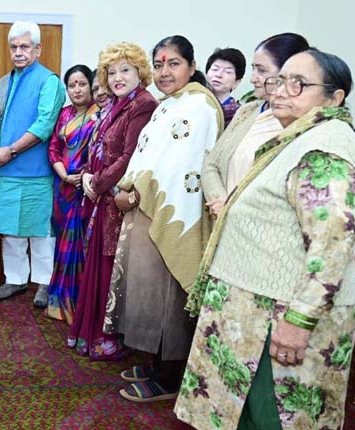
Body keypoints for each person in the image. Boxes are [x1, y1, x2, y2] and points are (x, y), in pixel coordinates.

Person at [177, 49, 355, 430]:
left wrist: (298, 323)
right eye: (280, 80)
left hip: (278, 320)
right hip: (254, 312)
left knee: (279, 425)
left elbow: (332, 245)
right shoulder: (298, 137)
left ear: (335, 98)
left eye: (298, 84)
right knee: (253, 417)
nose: (281, 90)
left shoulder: (326, 148)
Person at [106, 35, 223, 402]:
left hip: (173, 215)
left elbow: (180, 168)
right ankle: (157, 363)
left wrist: (134, 193)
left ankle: (171, 374)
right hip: (146, 206)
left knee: (168, 296)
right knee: (150, 293)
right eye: (158, 64)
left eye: (173, 63)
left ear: (191, 66)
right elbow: (149, 156)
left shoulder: (199, 106)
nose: (164, 71)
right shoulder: (170, 104)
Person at [67, 42, 157, 359]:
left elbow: (130, 156)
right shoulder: (117, 104)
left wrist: (98, 182)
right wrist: (90, 177)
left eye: (125, 70)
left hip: (117, 200)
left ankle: (111, 337)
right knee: (99, 265)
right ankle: (93, 333)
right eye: (112, 71)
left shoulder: (142, 105)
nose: (117, 77)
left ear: (139, 72)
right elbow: (101, 149)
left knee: (110, 268)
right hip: (102, 196)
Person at [0, 20, 66, 308]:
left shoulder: (49, 81)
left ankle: (44, 283)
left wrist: (12, 150)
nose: (18, 52)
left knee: (40, 231)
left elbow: (44, 125)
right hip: (6, 170)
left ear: (37, 49)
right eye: (14, 47)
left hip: (36, 171)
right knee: (11, 230)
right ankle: (15, 279)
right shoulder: (5, 82)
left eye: (24, 47)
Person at [202, 33, 310, 218]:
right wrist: (221, 203)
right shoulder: (247, 111)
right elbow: (211, 164)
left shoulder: (300, 126)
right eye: (254, 69)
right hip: (221, 222)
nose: (253, 79)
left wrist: (232, 210)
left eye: (261, 70)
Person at [45, 65, 99, 323]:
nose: (77, 90)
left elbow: (100, 152)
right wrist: (64, 175)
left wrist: (83, 176)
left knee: (82, 247)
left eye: (82, 84)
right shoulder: (64, 114)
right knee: (62, 244)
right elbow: (53, 149)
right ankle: (59, 302)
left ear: (91, 85)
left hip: (87, 189)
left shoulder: (99, 114)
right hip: (63, 187)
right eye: (72, 85)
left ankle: (80, 306)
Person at [205, 47, 246, 125]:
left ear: (237, 82)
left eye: (227, 72)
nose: (218, 75)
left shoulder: (239, 116)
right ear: (206, 74)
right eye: (215, 69)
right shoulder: (194, 104)